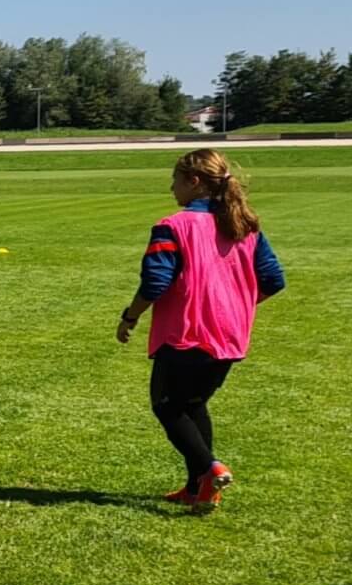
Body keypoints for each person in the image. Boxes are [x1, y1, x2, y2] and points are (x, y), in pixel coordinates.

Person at [117, 148, 286, 506]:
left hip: (185, 334)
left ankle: (211, 468)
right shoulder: (245, 226)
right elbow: (273, 281)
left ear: (193, 181)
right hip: (229, 336)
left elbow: (155, 284)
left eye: (175, 180)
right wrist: (233, 306)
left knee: (167, 406)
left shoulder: (173, 226)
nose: (171, 189)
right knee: (193, 406)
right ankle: (199, 490)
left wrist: (129, 316)